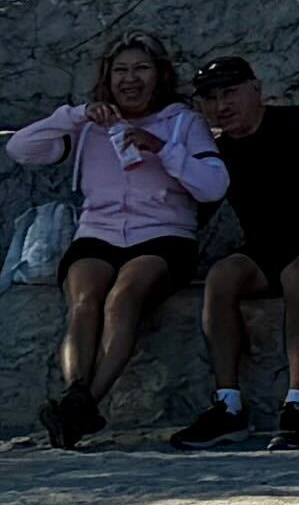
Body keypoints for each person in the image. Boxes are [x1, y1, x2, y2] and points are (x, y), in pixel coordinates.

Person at [14, 35, 229, 446]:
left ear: (160, 75)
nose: (131, 79)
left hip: (164, 235)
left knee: (123, 295)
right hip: (99, 232)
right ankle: (77, 392)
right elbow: (20, 148)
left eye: (141, 69)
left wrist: (163, 149)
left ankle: (82, 406)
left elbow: (213, 186)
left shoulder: (183, 123)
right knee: (83, 299)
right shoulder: (89, 127)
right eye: (121, 71)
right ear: (108, 79)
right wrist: (76, 115)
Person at [179, 59, 299, 449]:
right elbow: (195, 215)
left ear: (256, 89)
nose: (221, 105)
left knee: (298, 274)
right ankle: (228, 405)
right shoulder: (218, 155)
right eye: (211, 98)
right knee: (222, 276)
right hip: (265, 251)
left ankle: (297, 404)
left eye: (230, 92)